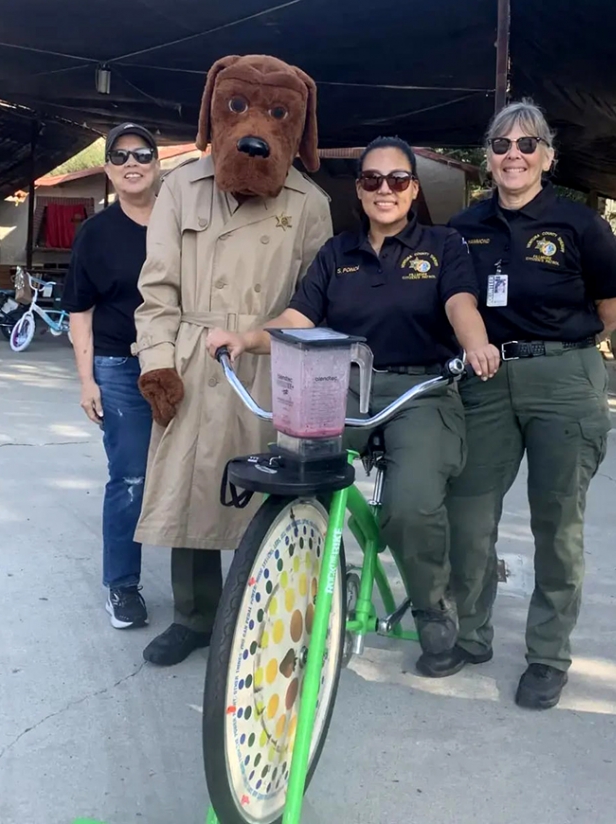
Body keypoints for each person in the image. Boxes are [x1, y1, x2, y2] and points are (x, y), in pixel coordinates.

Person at [207, 136, 500, 678]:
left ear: (413, 189)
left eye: (397, 180)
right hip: (342, 388)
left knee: (410, 507)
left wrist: (475, 343)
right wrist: (246, 339)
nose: (384, 190)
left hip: (421, 392)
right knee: (295, 471)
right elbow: (298, 321)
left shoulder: (443, 245)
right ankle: (297, 591)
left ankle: (434, 606)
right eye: (371, 180)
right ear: (360, 190)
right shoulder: (337, 253)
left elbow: (461, 303)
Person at [132, 55, 334, 667]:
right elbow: (157, 289)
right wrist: (158, 362)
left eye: (277, 114)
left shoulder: (309, 203)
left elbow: (315, 301)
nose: (256, 127)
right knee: (190, 492)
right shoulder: (180, 186)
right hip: (195, 358)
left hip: (269, 364)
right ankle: (193, 616)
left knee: (263, 495)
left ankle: (259, 618)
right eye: (240, 108)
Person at [447, 99, 616, 708]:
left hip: (563, 379)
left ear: (548, 157)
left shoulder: (580, 225)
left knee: (557, 524)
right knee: (469, 517)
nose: (514, 156)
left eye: (528, 145)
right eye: (501, 145)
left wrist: (565, 354)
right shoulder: (465, 227)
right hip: (486, 377)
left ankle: (548, 656)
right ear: (488, 157)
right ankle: (470, 634)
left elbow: (613, 307)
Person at [60, 122, 161, 629]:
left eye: (141, 154)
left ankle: (204, 598)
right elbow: (80, 310)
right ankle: (121, 585)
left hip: (181, 362)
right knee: (131, 478)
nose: (131, 164)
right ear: (108, 169)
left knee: (199, 472)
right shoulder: (95, 234)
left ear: (158, 163)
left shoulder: (181, 222)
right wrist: (87, 380)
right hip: (120, 367)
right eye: (120, 157)